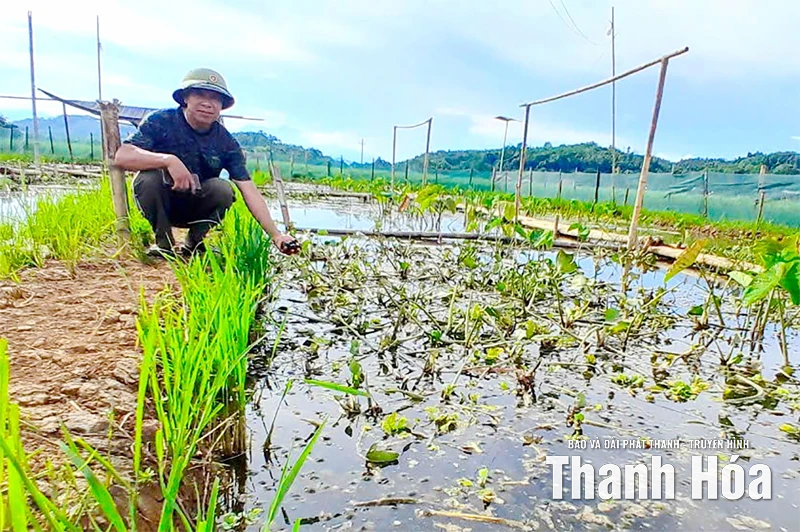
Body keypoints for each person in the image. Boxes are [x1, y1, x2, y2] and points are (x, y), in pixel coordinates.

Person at [115, 67, 298, 257]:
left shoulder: (226, 142)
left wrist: (276, 235)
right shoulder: (161, 121)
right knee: (148, 178)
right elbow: (123, 156)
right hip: (161, 201)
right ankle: (164, 243)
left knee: (223, 189)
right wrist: (168, 161)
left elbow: (249, 190)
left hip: (195, 205)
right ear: (185, 97)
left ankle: (194, 243)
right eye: (200, 95)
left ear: (221, 105)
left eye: (215, 98)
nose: (207, 103)